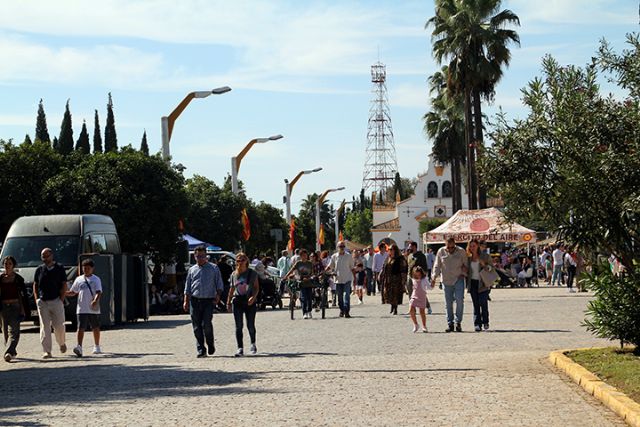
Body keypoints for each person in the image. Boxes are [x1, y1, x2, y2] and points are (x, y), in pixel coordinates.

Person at [183, 245, 224, 358]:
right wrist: (186, 301)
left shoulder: (213, 268)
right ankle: (201, 349)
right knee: (196, 327)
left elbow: (219, 283)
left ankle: (210, 344)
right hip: (195, 301)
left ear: (206, 256)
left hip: (208, 301)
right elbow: (188, 287)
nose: (200, 258)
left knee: (206, 324)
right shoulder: (192, 270)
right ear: (195, 257)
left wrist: (218, 295)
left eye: (202, 256)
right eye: (198, 256)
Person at [33, 248, 68, 359]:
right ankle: (47, 351)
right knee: (45, 327)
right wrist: (37, 299)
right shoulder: (39, 269)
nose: (45, 259)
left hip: (56, 300)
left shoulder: (59, 268)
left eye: (47, 256)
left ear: (52, 256)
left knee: (59, 326)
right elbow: (35, 284)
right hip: (43, 302)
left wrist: (61, 299)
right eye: (43, 256)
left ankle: (61, 343)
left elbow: (64, 284)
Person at [67, 259, 102, 357]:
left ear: (92, 269)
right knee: (80, 328)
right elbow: (73, 291)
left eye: (88, 268)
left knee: (95, 327)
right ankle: (79, 346)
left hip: (92, 307)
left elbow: (99, 292)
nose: (86, 270)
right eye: (84, 268)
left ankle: (96, 345)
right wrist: (64, 293)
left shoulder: (96, 279)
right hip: (81, 308)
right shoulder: (78, 279)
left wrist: (95, 300)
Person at [227, 253, 260, 356]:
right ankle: (240, 348)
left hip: (249, 301)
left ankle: (253, 344)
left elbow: (256, 287)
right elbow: (232, 289)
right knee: (238, 326)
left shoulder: (252, 273)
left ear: (246, 261)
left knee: (250, 324)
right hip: (237, 301)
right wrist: (228, 302)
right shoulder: (234, 274)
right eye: (238, 261)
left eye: (242, 260)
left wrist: (253, 297)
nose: (240, 263)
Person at [431, 237, 467, 333]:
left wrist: (464, 272)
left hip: (458, 279)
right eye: (448, 247)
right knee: (448, 303)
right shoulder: (441, 251)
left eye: (452, 247)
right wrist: (434, 277)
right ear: (445, 244)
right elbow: (437, 265)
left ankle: (458, 322)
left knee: (460, 300)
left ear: (454, 244)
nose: (450, 249)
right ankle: (450, 323)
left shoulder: (461, 251)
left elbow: (466, 264)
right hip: (446, 280)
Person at [1, 256, 27, 362]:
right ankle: (13, 351)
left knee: (14, 331)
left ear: (13, 265)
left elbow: (21, 295)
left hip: (15, 306)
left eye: (10, 264)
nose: (7, 266)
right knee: (5, 331)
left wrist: (22, 309)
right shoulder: (1, 278)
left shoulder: (18, 279)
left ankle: (9, 352)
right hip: (3, 308)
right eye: (6, 264)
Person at [466, 240, 491, 332]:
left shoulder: (485, 256)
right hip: (472, 283)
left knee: (483, 303)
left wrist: (483, 264)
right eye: (471, 246)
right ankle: (477, 324)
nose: (472, 248)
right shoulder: (468, 258)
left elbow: (491, 268)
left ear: (478, 246)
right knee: (476, 304)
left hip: (483, 283)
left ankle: (485, 322)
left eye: (474, 246)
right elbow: (467, 271)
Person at [326, 241, 355, 318]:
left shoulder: (349, 256)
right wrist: (325, 270)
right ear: (337, 248)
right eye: (340, 247)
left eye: (343, 246)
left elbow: (352, 267)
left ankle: (346, 311)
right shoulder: (334, 256)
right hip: (338, 280)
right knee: (340, 297)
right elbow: (330, 266)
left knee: (346, 296)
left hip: (347, 279)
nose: (342, 248)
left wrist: (355, 278)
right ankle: (342, 310)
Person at [283, 249, 314, 319]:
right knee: (303, 298)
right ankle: (304, 312)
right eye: (303, 255)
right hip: (301, 282)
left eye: (305, 255)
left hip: (309, 282)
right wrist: (286, 276)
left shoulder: (310, 263)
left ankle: (309, 311)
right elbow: (291, 270)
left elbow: (312, 273)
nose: (304, 256)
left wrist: (310, 277)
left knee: (309, 298)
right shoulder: (298, 263)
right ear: (300, 256)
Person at [380, 244, 408, 315]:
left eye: (391, 249)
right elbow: (384, 267)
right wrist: (381, 274)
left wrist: (403, 280)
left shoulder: (400, 258)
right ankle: (392, 307)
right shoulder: (388, 258)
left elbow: (404, 269)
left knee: (396, 294)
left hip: (396, 279)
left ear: (395, 250)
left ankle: (395, 309)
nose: (390, 251)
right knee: (389, 294)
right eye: (389, 249)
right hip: (388, 279)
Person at [406, 241, 431, 314]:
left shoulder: (421, 255)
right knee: (411, 293)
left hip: (418, 278)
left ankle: (428, 307)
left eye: (410, 246)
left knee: (421, 294)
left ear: (414, 247)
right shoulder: (409, 256)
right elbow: (408, 266)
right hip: (410, 277)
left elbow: (425, 267)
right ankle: (412, 309)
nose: (409, 248)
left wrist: (423, 276)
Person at [409, 266, 429, 333]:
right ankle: (415, 324)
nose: (418, 276)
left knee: (422, 312)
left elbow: (429, 287)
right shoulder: (413, 279)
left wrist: (433, 283)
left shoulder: (424, 279)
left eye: (419, 275)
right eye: (416, 275)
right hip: (414, 296)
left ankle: (424, 326)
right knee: (411, 309)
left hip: (422, 296)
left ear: (421, 274)